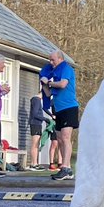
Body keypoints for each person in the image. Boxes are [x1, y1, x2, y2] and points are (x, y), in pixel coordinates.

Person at [41, 49, 79, 181]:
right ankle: (66, 167)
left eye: (53, 60)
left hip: (69, 107)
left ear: (60, 59)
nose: (51, 62)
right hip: (58, 109)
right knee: (59, 139)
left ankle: (65, 168)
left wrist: (49, 82)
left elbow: (63, 84)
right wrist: (43, 81)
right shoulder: (54, 73)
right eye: (49, 60)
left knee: (66, 137)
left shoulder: (66, 69)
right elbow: (47, 94)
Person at [27, 93, 49, 170]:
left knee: (37, 144)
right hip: (35, 124)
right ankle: (33, 164)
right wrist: (45, 119)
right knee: (35, 144)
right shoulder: (36, 100)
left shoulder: (37, 100)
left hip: (37, 124)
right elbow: (35, 114)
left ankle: (35, 163)